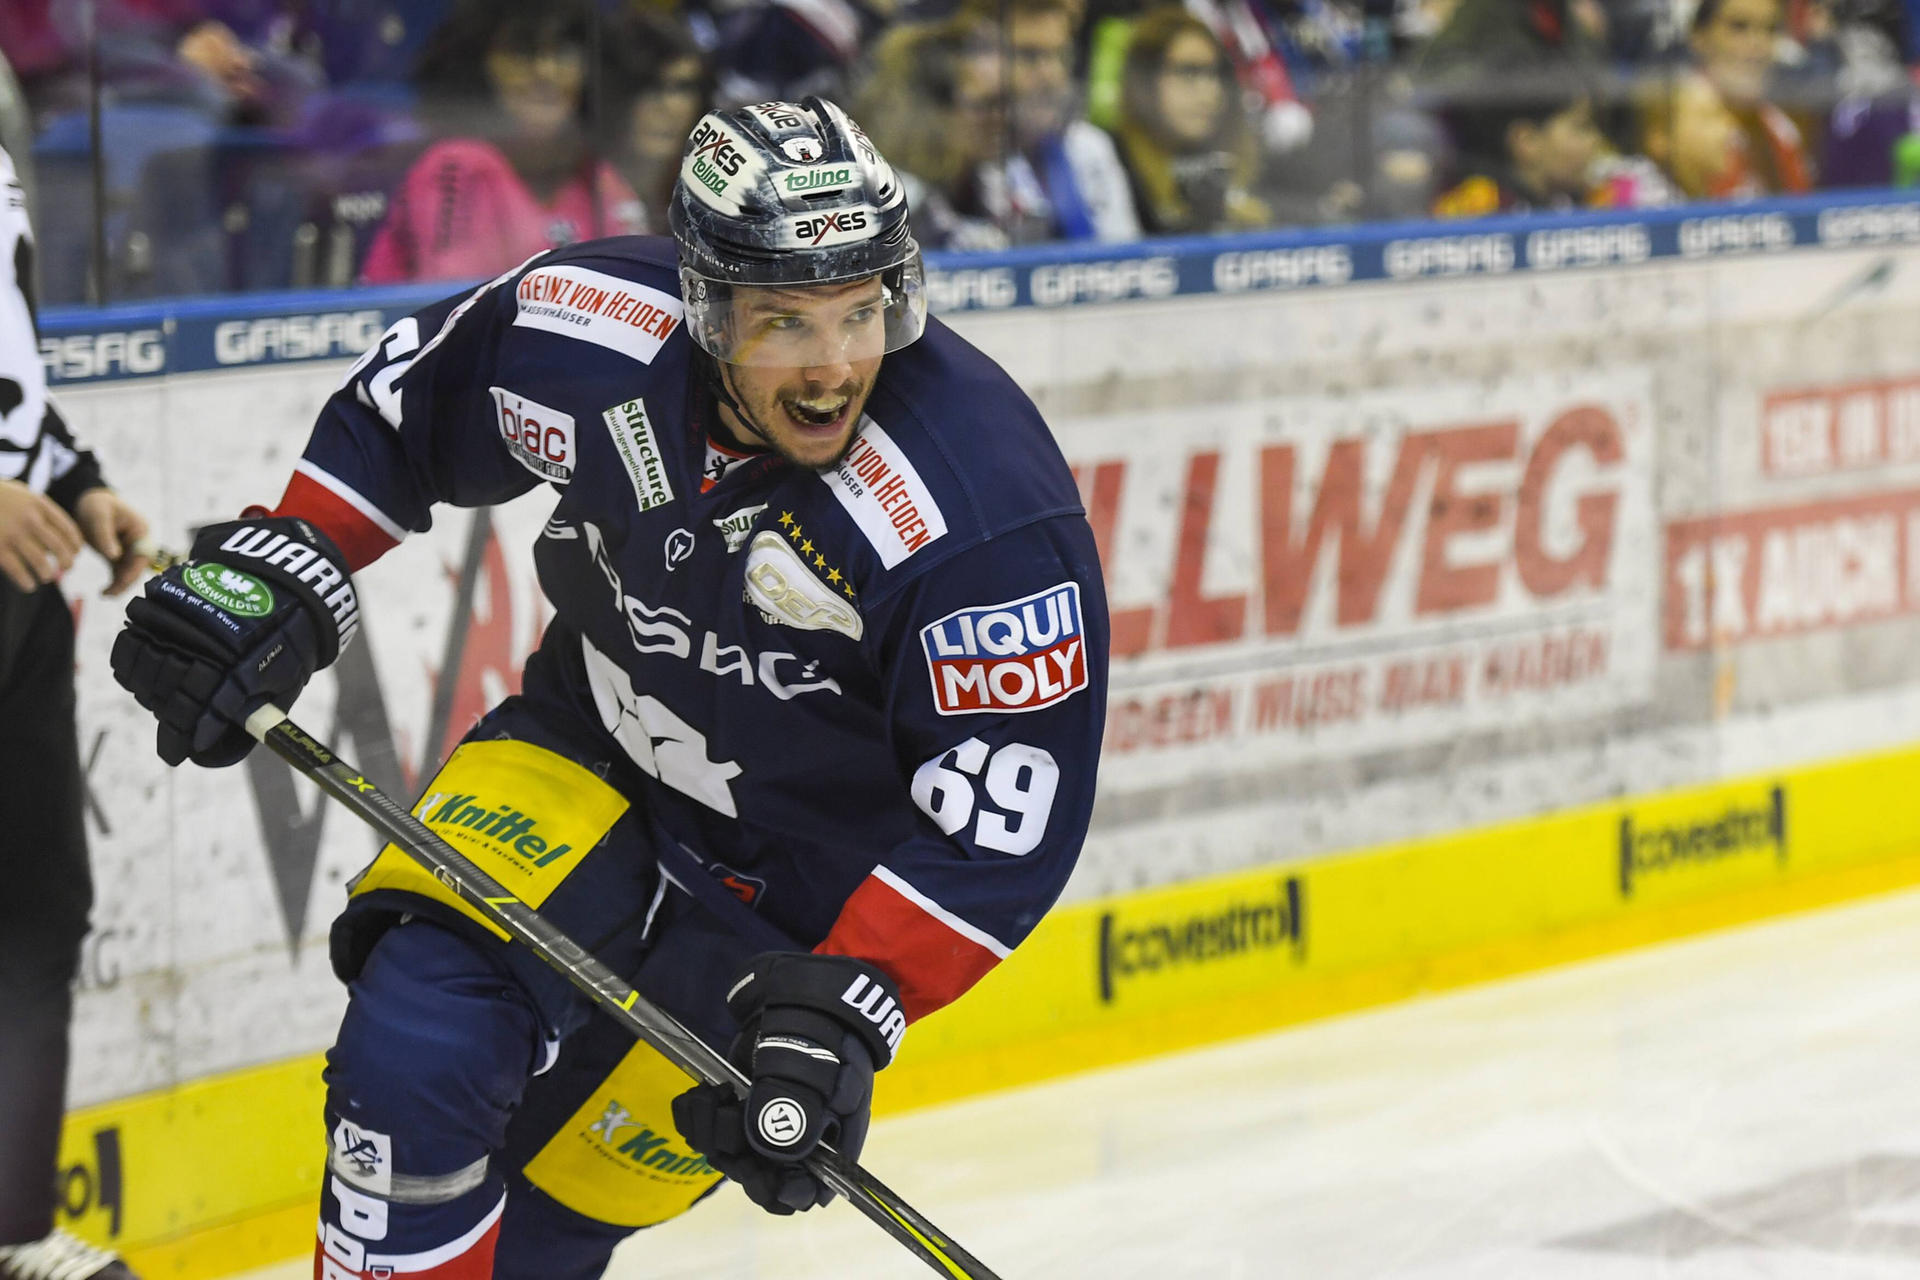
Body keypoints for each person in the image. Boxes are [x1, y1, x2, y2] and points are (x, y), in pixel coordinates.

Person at [110, 97, 1108, 1279]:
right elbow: (409, 411)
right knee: (413, 1051)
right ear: (704, 302)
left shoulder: (977, 511)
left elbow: (1003, 818)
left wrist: (848, 1001)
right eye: (785, 319)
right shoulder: (587, 325)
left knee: (549, 1222)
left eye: (861, 311)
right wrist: (288, 562)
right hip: (587, 744)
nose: (836, 363)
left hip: (797, 886)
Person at [0, 142, 150, 1280]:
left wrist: (72, 477)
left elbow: (14, 371)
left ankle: (8, 1225)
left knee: (38, 906)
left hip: (17, 590)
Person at [357, 0, 645, 284]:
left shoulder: (596, 175)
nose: (546, 71)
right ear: (478, 65)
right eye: (522, 53)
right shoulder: (458, 164)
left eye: (564, 52)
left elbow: (639, 286)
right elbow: (463, 312)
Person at [951, 0, 1143, 244]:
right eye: (1029, 55)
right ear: (978, 58)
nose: (1053, 75)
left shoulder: (1088, 148)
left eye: (1060, 55)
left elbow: (1129, 263)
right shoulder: (952, 159)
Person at [1110, 8, 1270, 235]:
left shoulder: (1245, 163)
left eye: (1215, 74)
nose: (1210, 92)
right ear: (1144, 82)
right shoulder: (1113, 164)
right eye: (1189, 72)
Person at [1635, 0, 1813, 199]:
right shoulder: (1669, 117)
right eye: (1738, 27)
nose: (1758, 44)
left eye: (1770, 29)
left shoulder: (1782, 131)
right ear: (1698, 36)